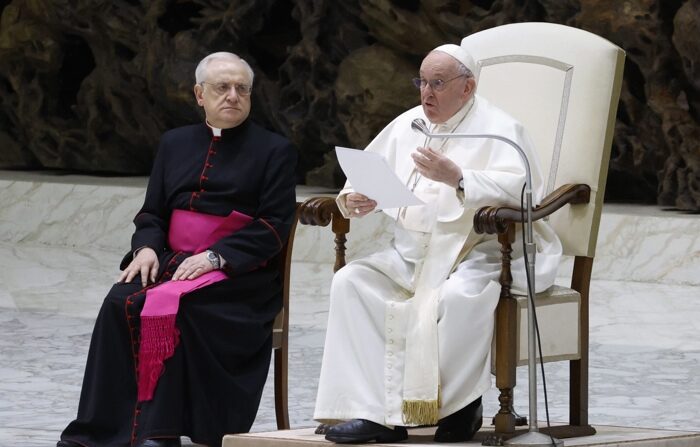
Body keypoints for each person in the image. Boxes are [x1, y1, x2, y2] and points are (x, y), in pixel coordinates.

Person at [313, 44, 562, 443]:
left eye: (438, 83)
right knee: (352, 284)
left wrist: (460, 178)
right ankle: (374, 414)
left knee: (459, 298)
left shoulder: (501, 128)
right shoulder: (409, 123)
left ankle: (461, 408)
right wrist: (356, 197)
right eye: (422, 82)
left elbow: (525, 190)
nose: (426, 93)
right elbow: (369, 173)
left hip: (477, 252)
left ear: (468, 87)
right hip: (410, 253)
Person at [57, 52, 297, 447]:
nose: (233, 96)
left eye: (242, 89)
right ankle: (100, 431)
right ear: (199, 94)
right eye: (222, 87)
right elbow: (152, 212)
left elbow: (273, 226)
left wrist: (217, 257)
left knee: (180, 310)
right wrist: (146, 249)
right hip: (170, 261)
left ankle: (161, 430)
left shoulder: (275, 150)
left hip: (238, 274)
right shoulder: (174, 143)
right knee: (119, 302)